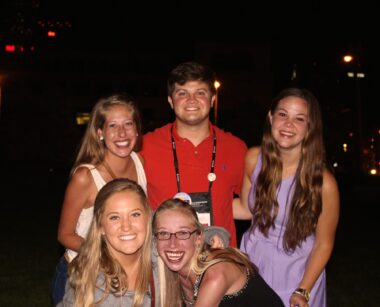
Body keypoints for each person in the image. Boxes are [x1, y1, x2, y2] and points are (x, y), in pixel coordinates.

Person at [235, 87, 340, 307]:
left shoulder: (323, 182)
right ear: (271, 117)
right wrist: (194, 204)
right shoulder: (254, 158)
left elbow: (323, 243)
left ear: (310, 127)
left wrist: (303, 290)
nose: (289, 124)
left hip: (297, 274)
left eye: (299, 118)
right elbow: (246, 209)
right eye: (282, 114)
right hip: (252, 265)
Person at [51, 93, 147, 305]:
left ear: (137, 130)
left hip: (122, 276)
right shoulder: (85, 176)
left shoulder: (139, 161)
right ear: (100, 132)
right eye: (113, 126)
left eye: (128, 124)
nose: (122, 132)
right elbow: (64, 234)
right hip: (79, 273)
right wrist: (106, 257)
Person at [141, 61, 247, 247]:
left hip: (219, 260)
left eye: (200, 93)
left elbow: (250, 207)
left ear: (212, 99)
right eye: (182, 93)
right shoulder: (146, 146)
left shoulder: (236, 148)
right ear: (170, 100)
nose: (191, 100)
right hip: (164, 263)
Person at [152, 198, 284, 307]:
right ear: (155, 239)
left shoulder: (216, 275)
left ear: (198, 239)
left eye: (182, 233)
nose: (173, 243)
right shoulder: (174, 274)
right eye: (164, 233)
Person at [58, 178, 160, 307]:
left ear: (148, 217)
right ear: (101, 227)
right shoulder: (88, 280)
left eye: (135, 214)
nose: (126, 226)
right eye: (114, 217)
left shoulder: (164, 260)